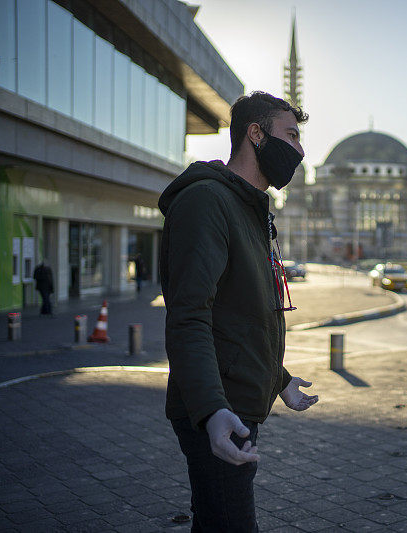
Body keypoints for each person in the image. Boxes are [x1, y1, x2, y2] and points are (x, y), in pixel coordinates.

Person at [158, 91, 318, 532]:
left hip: (236, 403)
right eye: (291, 135)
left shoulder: (249, 209)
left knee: (216, 522)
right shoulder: (207, 202)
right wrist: (211, 411)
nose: (300, 151)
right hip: (218, 408)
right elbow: (190, 315)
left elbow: (242, 314)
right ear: (256, 134)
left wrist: (279, 379)